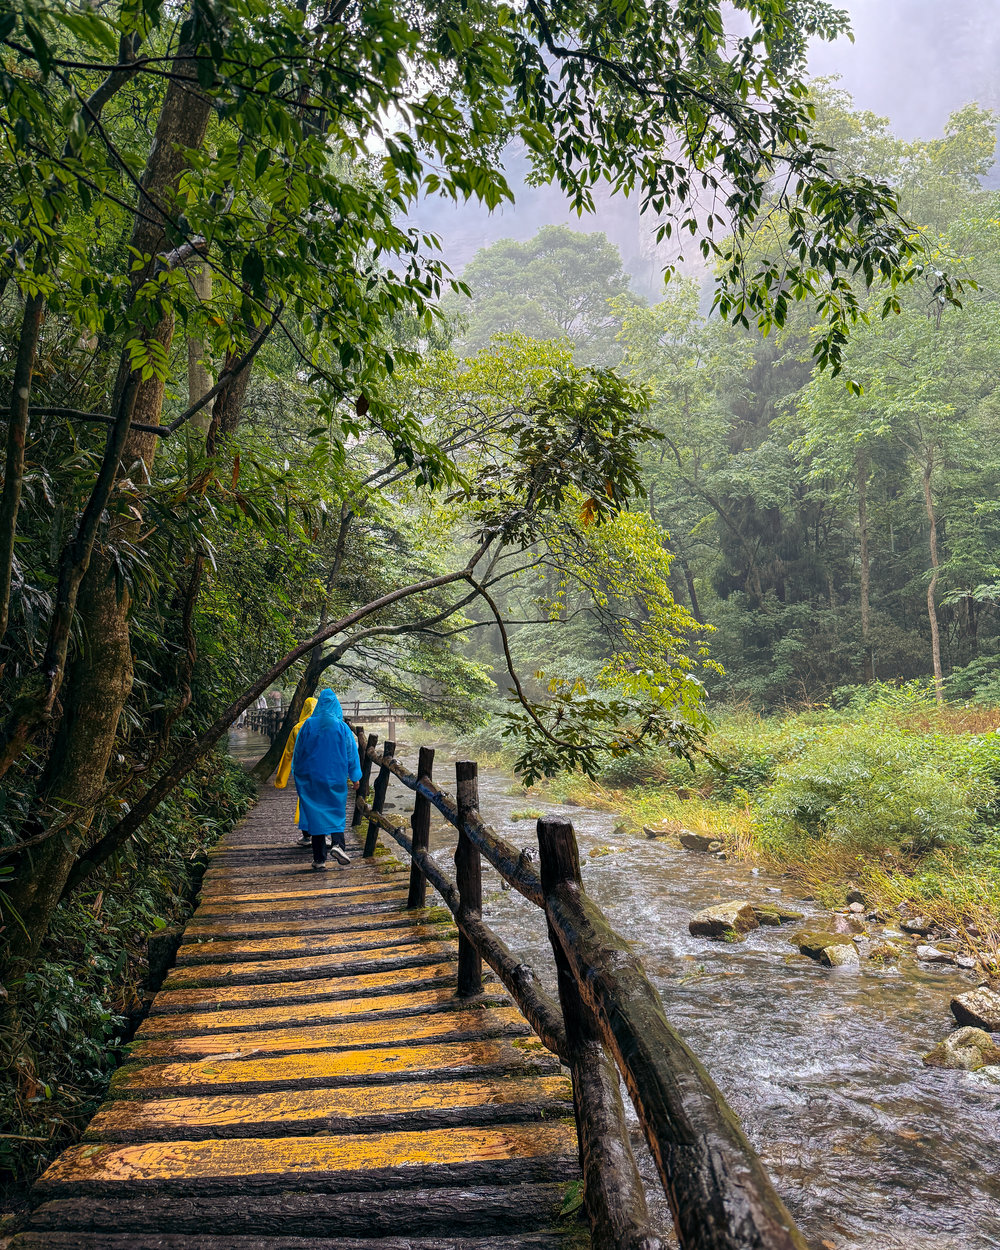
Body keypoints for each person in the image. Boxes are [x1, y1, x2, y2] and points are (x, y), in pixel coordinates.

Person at [291, 689, 361, 870]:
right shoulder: (342, 727)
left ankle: (319, 859)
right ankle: (338, 845)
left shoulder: (307, 725)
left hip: (312, 778)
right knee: (336, 812)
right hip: (335, 778)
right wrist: (355, 777)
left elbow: (298, 752)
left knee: (316, 816)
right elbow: (351, 754)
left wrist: (297, 773)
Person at [274, 696, 318, 845]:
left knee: (304, 801)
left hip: (302, 771)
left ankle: (306, 836)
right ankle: (322, 834)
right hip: (322, 770)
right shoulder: (324, 726)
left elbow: (288, 753)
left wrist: (281, 778)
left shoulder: (297, 728)